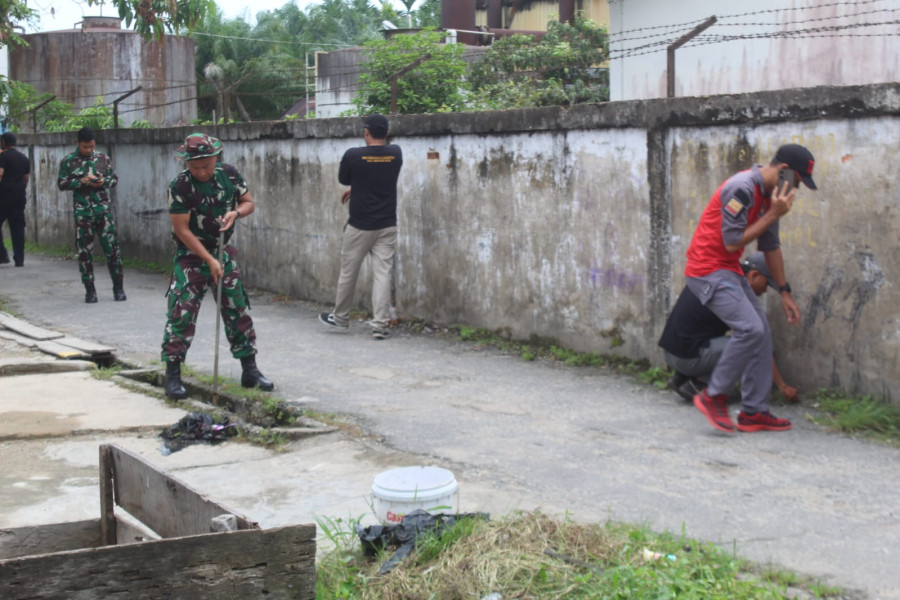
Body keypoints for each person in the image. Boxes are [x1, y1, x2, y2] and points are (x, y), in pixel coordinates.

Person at [686, 143, 816, 433]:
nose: (797, 190)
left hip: (727, 270)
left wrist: (784, 291)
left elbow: (770, 246)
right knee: (750, 329)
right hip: (707, 270)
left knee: (761, 330)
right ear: (784, 171)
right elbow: (733, 242)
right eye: (797, 182)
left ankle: (754, 412)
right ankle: (713, 396)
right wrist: (773, 214)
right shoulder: (742, 188)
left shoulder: (770, 197)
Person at [161, 133, 274, 400]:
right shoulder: (179, 186)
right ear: (187, 164)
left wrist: (236, 213)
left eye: (207, 166)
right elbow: (182, 230)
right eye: (196, 167)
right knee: (182, 312)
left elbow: (248, 202)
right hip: (191, 256)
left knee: (237, 308)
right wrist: (208, 260)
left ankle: (250, 370)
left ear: (216, 159)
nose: (202, 172)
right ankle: (173, 374)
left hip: (222, 252)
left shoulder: (230, 175)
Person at [658, 251, 799, 403]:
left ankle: (683, 378)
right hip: (687, 358)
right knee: (749, 344)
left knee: (733, 341)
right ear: (753, 275)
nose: (764, 291)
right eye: (765, 284)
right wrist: (782, 386)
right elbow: (759, 342)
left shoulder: (720, 276)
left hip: (671, 353)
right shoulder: (734, 294)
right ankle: (701, 384)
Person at [319, 113, 403, 340]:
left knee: (348, 272)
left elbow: (345, 179)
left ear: (366, 131)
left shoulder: (353, 156)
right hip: (387, 225)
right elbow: (380, 178)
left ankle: (341, 317)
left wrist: (356, 186)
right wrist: (358, 186)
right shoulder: (396, 154)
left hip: (359, 226)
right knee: (383, 274)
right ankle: (379, 324)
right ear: (386, 133)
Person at [56, 127, 126, 303]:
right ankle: (90, 290)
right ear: (78, 143)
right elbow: (62, 183)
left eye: (91, 146)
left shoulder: (102, 158)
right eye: (85, 147)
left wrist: (103, 181)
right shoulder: (68, 161)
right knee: (85, 253)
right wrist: (81, 182)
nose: (89, 150)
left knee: (113, 251)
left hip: (103, 212)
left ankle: (118, 288)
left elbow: (114, 179)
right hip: (83, 213)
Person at [0, 133, 30, 267]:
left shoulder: (3, 157)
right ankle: (19, 259)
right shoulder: (24, 158)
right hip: (19, 197)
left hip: (3, 198)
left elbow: (0, 173)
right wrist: (20, 189)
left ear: (4, 143)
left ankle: (2, 255)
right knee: (17, 228)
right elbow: (26, 178)